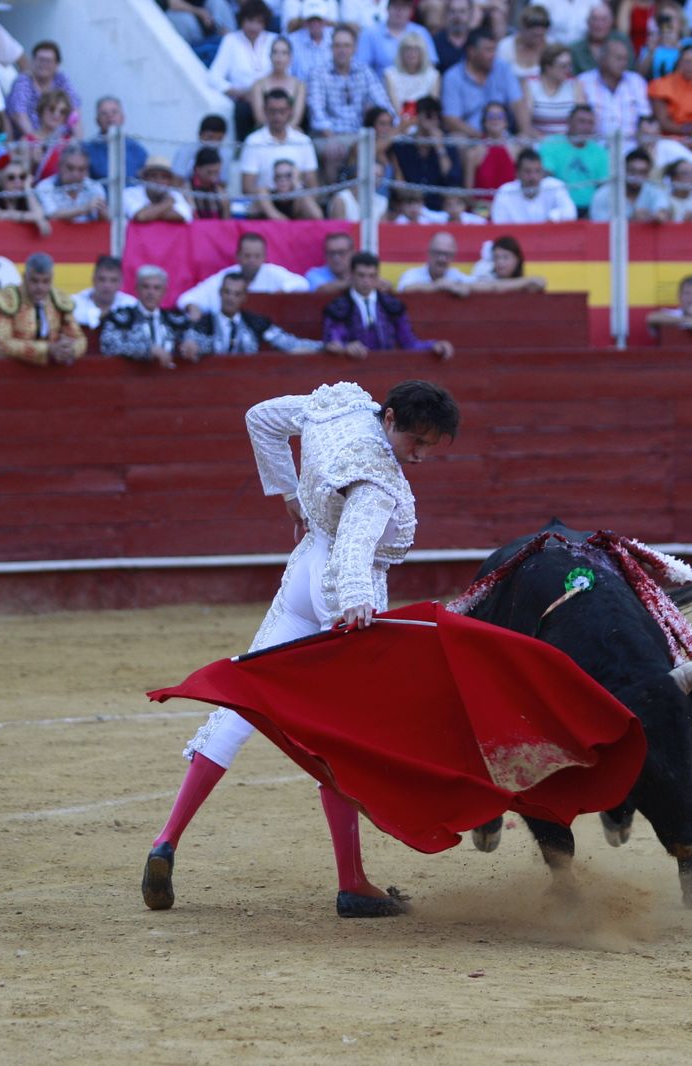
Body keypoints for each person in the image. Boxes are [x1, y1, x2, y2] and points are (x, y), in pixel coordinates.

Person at [141, 378, 461, 919]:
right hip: (342, 591)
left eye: (431, 447)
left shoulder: (338, 408)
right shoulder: (378, 478)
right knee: (341, 740)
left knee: (239, 704)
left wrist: (289, 495)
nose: (421, 456)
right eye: (416, 442)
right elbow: (355, 545)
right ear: (389, 419)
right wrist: (357, 605)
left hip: (304, 572)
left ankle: (166, 840)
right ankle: (352, 882)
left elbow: (261, 418)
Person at [323, 251, 456, 358]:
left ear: (377, 276)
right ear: (351, 275)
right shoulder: (338, 308)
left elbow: (409, 343)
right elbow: (333, 342)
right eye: (361, 275)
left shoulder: (392, 305)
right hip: (350, 372)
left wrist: (433, 345)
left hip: (386, 368)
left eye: (371, 276)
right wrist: (346, 347)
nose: (366, 281)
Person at [309, 25, 393, 178]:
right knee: (333, 150)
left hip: (360, 134)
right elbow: (317, 111)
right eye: (338, 45)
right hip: (328, 135)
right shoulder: (318, 73)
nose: (342, 50)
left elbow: (382, 101)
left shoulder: (364, 71)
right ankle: (335, 192)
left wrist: (394, 123)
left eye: (346, 45)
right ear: (331, 48)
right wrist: (331, 138)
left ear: (354, 48)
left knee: (387, 147)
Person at [191, 273, 336, 356]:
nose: (230, 298)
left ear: (244, 297)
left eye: (237, 294)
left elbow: (288, 343)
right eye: (227, 292)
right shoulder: (204, 323)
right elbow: (191, 341)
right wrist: (192, 347)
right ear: (220, 293)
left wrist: (323, 346)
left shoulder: (256, 322)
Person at [178, 232, 310, 320]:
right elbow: (187, 298)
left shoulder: (273, 272)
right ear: (238, 256)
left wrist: (283, 291)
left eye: (257, 256)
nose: (252, 261)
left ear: (264, 257)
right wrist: (192, 308)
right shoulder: (226, 276)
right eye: (247, 256)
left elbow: (303, 283)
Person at [0, 252, 84, 366]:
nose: (40, 287)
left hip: (49, 370)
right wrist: (47, 349)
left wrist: (70, 350)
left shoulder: (58, 300)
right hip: (10, 369)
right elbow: (1, 344)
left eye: (45, 281)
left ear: (52, 279)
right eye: (34, 281)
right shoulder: (6, 300)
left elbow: (79, 339)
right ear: (24, 278)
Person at [101, 264, 199, 367]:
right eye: (145, 287)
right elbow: (108, 345)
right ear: (136, 289)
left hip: (171, 376)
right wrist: (147, 350)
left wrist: (192, 342)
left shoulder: (174, 320)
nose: (151, 292)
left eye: (156, 288)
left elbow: (206, 340)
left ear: (164, 292)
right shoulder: (120, 318)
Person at [440, 28, 526, 137]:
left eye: (494, 50)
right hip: (469, 138)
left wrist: (524, 131)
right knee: (457, 138)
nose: (493, 55)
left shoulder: (503, 68)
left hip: (503, 136)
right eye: (488, 50)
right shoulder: (453, 77)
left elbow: (517, 103)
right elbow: (451, 120)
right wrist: (482, 138)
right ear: (471, 52)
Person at [209, 0, 277, 136]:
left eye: (259, 22)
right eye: (250, 21)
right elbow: (214, 76)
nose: (254, 27)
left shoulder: (273, 40)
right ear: (242, 20)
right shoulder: (231, 40)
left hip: (272, 97)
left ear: (265, 23)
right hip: (242, 99)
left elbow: (285, 72)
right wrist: (239, 93)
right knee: (243, 110)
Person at [240, 87, 319, 201]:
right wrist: (276, 195)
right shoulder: (253, 141)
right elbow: (247, 187)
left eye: (282, 111)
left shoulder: (303, 141)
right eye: (272, 111)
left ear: (290, 111)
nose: (277, 116)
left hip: (296, 201)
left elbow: (313, 186)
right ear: (265, 111)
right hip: (265, 202)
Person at [390, 95, 461, 207]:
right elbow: (399, 182)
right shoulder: (403, 146)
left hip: (439, 208)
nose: (434, 121)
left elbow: (451, 179)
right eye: (429, 116)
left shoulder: (448, 145)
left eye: (437, 117)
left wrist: (439, 147)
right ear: (418, 116)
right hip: (410, 207)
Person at [537, 103, 606, 215]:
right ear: (569, 121)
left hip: (590, 211)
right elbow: (546, 179)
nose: (586, 127)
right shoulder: (551, 144)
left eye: (590, 123)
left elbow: (603, 187)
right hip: (557, 209)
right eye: (581, 121)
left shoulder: (600, 152)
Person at [490, 146, 578, 222]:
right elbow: (499, 223)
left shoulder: (555, 186)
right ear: (517, 173)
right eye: (527, 172)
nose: (533, 177)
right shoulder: (505, 192)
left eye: (538, 171)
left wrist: (552, 217)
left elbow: (571, 212)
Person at [590, 146, 670, 221]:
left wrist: (656, 216)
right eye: (632, 171)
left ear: (648, 174)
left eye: (642, 172)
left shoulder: (655, 192)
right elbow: (598, 223)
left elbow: (662, 212)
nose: (637, 177)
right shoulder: (603, 194)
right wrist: (631, 217)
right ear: (623, 170)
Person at [358, 0, 436, 76]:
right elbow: (362, 66)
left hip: (417, 82)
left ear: (411, 11)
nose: (399, 10)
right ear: (387, 8)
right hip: (379, 83)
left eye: (404, 7)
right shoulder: (370, 33)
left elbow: (431, 65)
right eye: (395, 6)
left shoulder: (421, 32)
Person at [34, 143, 108, 224]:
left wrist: (103, 214)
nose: (75, 174)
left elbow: (104, 221)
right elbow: (51, 215)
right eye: (70, 168)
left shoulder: (95, 187)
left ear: (87, 171)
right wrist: (84, 209)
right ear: (59, 166)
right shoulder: (44, 187)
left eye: (81, 169)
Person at [84, 95, 148, 185]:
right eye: (104, 113)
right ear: (97, 120)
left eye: (114, 112)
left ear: (122, 118)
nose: (109, 116)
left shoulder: (137, 150)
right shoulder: (86, 150)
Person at [248, 35, 308, 131]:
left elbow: (296, 119)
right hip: (264, 133)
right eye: (275, 52)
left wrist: (283, 135)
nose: (279, 57)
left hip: (291, 133)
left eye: (284, 53)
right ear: (270, 56)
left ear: (290, 57)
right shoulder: (258, 85)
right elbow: (260, 118)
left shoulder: (299, 85)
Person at [384, 28, 439, 122]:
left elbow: (432, 110)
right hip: (399, 123)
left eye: (416, 50)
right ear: (401, 52)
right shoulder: (389, 74)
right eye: (407, 49)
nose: (411, 53)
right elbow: (396, 110)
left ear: (423, 53)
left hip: (424, 125)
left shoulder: (433, 76)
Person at [70, 254, 138, 330]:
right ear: (93, 280)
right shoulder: (74, 304)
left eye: (113, 280)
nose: (107, 285)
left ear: (121, 283)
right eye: (102, 279)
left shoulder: (131, 305)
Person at [396, 231, 472, 295]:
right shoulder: (412, 274)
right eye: (437, 253)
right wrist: (438, 286)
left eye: (447, 254)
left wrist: (463, 286)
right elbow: (405, 289)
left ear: (453, 257)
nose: (442, 259)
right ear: (429, 253)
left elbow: (478, 284)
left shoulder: (455, 274)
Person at [251, 158, 324, 220]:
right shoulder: (264, 193)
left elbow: (317, 216)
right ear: (274, 179)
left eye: (288, 175)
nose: (282, 180)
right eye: (278, 176)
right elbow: (276, 218)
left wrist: (297, 184)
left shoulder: (299, 197)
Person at [286, 0, 336, 83]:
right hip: (302, 88)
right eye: (310, 20)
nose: (315, 24)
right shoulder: (292, 41)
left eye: (318, 20)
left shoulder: (336, 36)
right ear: (304, 22)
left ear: (325, 21)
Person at [499, 3, 551, 80]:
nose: (538, 40)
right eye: (534, 35)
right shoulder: (505, 46)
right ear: (522, 28)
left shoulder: (551, 47)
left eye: (541, 36)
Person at [570, 2, 624, 74]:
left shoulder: (622, 42)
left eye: (604, 19)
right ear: (588, 22)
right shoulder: (575, 49)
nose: (599, 24)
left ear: (612, 22)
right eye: (594, 19)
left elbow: (630, 69)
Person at [304, 230, 357, 295]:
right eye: (331, 253)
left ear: (353, 253)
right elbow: (321, 291)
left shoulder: (361, 272)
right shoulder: (314, 274)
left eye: (341, 252)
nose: (336, 258)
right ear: (325, 254)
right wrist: (356, 282)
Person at [188, 146, 231, 220]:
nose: (213, 178)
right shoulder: (186, 190)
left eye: (216, 172)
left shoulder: (221, 193)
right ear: (197, 169)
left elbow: (226, 222)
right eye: (209, 172)